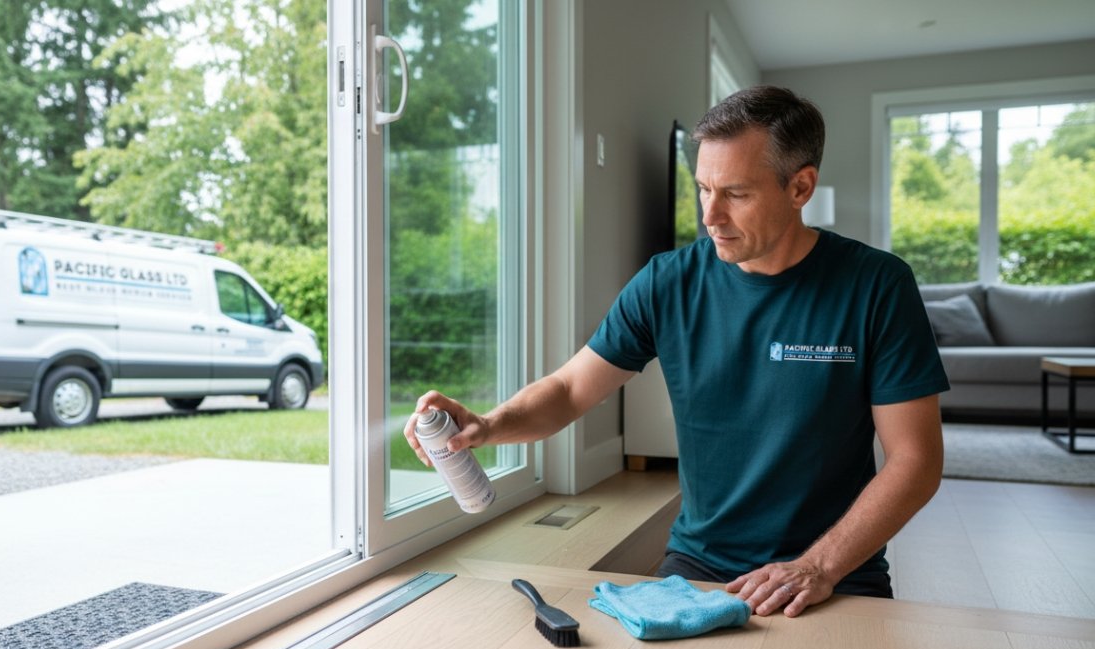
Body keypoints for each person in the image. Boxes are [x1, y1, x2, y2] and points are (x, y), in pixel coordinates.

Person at [405, 85, 949, 618]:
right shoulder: (667, 282)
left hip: (836, 574)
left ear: (800, 187)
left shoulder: (877, 285)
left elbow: (915, 461)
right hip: (700, 566)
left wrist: (818, 566)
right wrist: (489, 423)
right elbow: (571, 389)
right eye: (703, 189)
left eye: (736, 193)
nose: (710, 216)